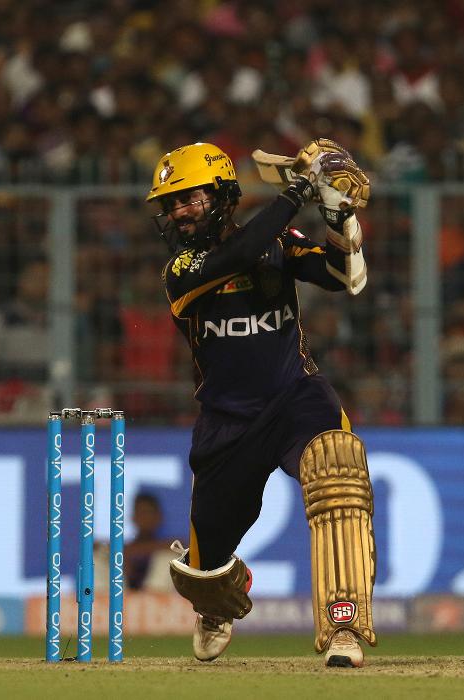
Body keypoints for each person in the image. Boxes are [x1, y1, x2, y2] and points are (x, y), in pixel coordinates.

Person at [146, 141, 376, 668]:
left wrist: (337, 213)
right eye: (171, 204)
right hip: (227, 420)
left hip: (296, 397)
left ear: (224, 195)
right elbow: (238, 254)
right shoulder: (181, 269)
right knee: (205, 576)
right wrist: (299, 190)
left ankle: (343, 625)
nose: (178, 212)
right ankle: (217, 604)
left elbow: (344, 276)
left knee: (338, 472)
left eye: (189, 198)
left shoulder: (277, 242)